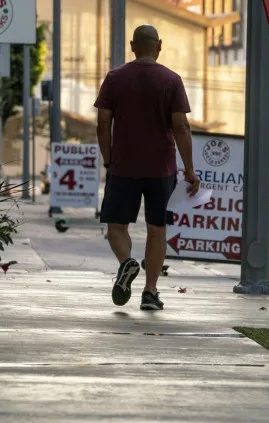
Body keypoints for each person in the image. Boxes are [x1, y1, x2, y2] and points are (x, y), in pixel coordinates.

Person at [94, 25, 200, 310]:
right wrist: (189, 169)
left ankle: (127, 263)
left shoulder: (115, 78)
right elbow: (180, 125)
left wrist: (108, 158)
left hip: (123, 166)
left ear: (132, 45)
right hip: (161, 169)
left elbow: (103, 123)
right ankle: (150, 293)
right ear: (160, 45)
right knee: (157, 229)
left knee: (116, 226)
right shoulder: (171, 79)